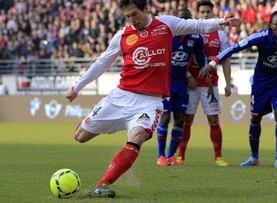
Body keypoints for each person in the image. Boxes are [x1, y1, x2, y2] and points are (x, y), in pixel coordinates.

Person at [64, 0, 240, 198]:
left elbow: (197, 25)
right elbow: (102, 62)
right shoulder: (122, 35)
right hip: (121, 97)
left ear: (146, 9)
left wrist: (223, 21)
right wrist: (76, 87)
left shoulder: (166, 25)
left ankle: (102, 185)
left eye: (134, 15)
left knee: (137, 137)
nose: (132, 20)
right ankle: (102, 123)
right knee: (80, 137)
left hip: (150, 103)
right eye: (127, 16)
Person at [200, 10, 277, 168]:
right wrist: (212, 64)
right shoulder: (261, 37)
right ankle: (254, 157)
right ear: (270, 25)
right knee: (255, 119)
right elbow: (235, 48)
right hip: (260, 85)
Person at [177, 0, 232, 167]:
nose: (205, 15)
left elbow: (226, 60)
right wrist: (188, 77)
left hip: (210, 85)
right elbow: (180, 57)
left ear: (212, 14)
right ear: (197, 14)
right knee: (186, 120)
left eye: (208, 12)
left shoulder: (220, 35)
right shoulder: (190, 31)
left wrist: (228, 83)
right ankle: (180, 156)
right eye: (202, 12)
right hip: (191, 84)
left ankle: (218, 157)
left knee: (213, 120)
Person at [156, 8, 206, 167]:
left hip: (181, 84)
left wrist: (202, 73)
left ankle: (171, 156)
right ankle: (160, 156)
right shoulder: (167, 36)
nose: (184, 23)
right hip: (167, 82)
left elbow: (201, 61)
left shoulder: (196, 38)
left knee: (180, 119)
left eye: (188, 20)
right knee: (165, 117)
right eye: (182, 20)